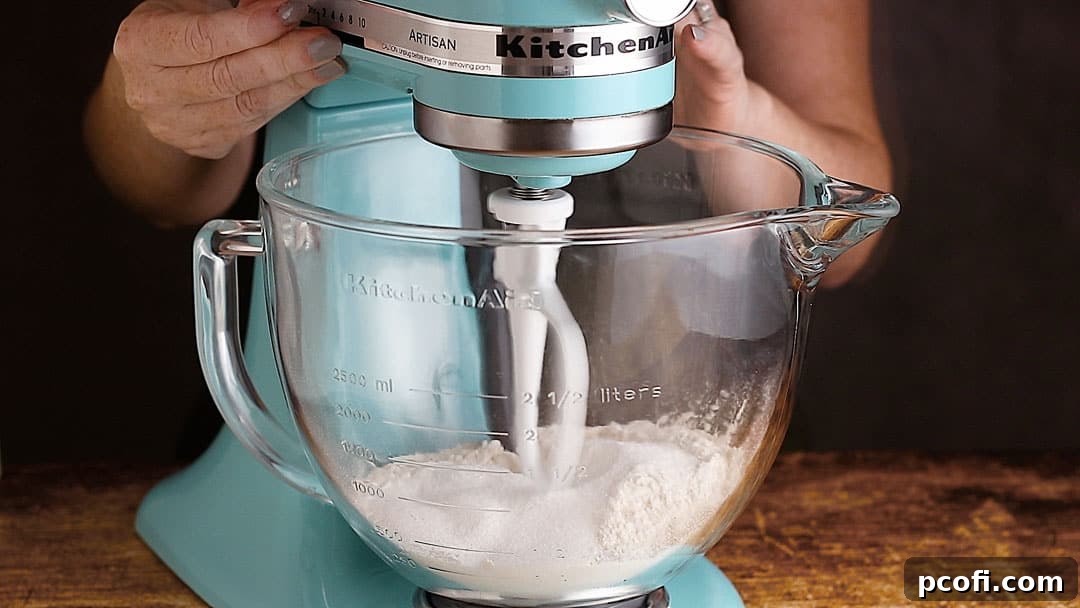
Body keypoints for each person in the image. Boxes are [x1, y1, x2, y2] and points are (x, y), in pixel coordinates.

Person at [85, 0, 891, 287]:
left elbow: (839, 234)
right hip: (320, 406)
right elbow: (165, 193)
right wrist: (162, 86)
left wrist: (735, 114)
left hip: (672, 412)